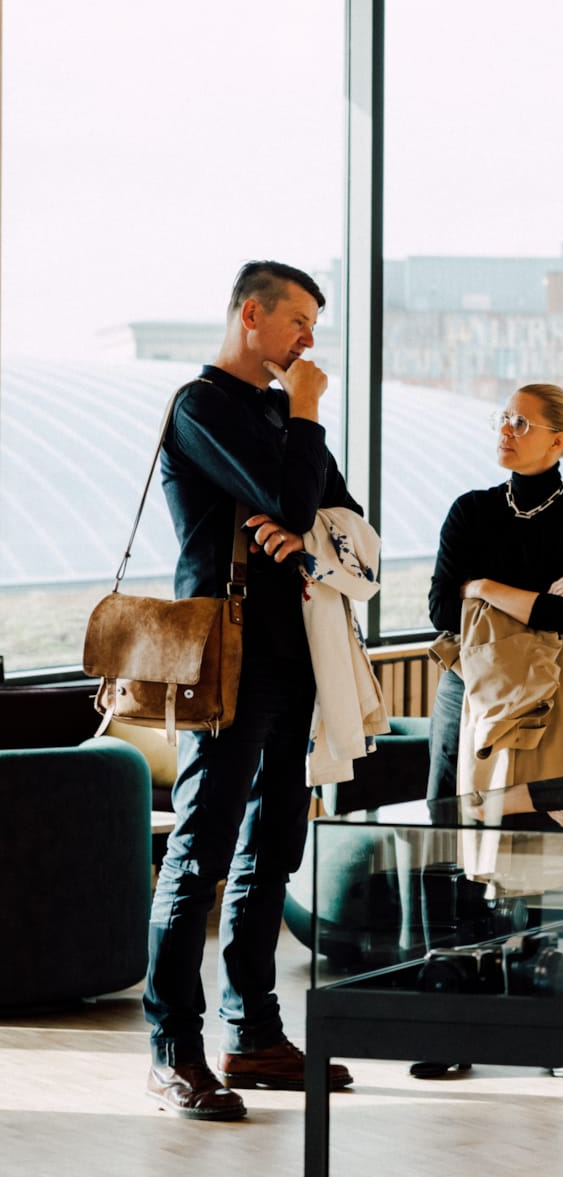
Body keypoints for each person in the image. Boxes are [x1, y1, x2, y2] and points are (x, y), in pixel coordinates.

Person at [144, 261, 356, 1122]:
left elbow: (333, 511)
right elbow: (290, 499)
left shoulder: (275, 411)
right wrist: (302, 425)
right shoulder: (201, 407)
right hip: (223, 655)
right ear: (251, 313)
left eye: (313, 324)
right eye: (299, 321)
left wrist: (293, 500)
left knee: (271, 847)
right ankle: (173, 1047)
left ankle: (252, 1031)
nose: (310, 340)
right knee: (201, 848)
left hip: (291, 652)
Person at [412, 382, 563, 1078]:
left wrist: (490, 590)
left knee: (538, 828)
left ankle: (539, 1010)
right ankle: (447, 1015)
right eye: (502, 418)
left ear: (560, 441)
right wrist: (530, 600)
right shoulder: (472, 509)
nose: (505, 429)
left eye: (522, 421)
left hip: (553, 690)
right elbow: (442, 605)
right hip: (468, 688)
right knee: (450, 825)